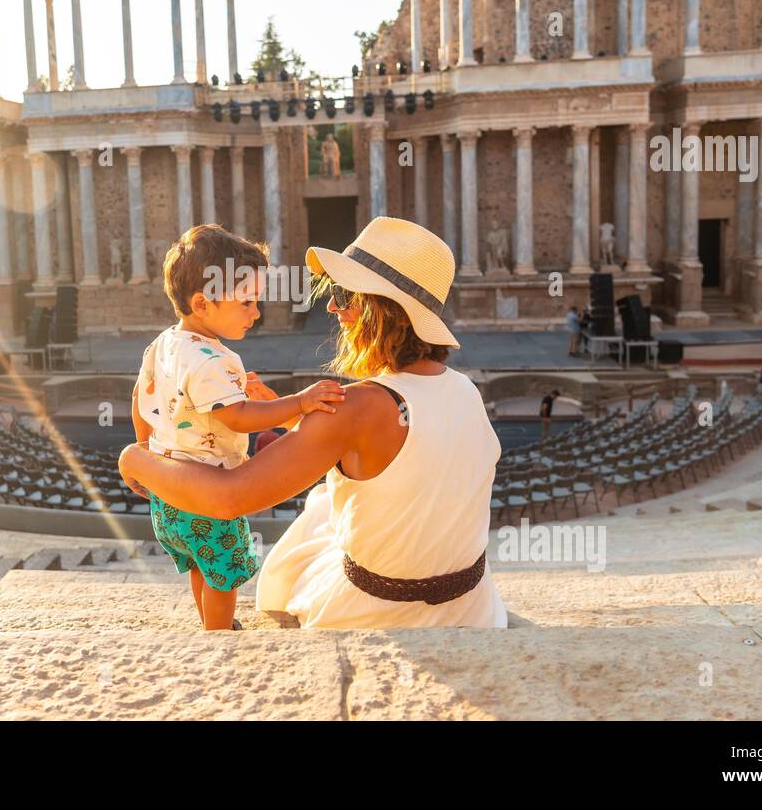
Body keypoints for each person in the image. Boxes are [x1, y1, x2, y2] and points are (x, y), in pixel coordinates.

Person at [120, 216, 507, 629]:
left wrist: (135, 458)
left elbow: (227, 499)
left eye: (343, 294)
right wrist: (296, 422)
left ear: (379, 309)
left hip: (377, 612)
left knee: (317, 513)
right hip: (472, 607)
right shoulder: (466, 390)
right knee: (327, 504)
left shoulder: (354, 409)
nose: (332, 306)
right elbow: (404, 458)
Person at [128, 224, 345, 631]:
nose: (256, 312)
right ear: (202, 302)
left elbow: (141, 398)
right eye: (246, 302)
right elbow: (238, 417)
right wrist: (298, 402)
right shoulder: (213, 360)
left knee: (199, 565)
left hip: (169, 493)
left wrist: (147, 449)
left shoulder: (162, 344)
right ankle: (219, 635)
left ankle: (209, 622)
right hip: (207, 493)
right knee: (222, 575)